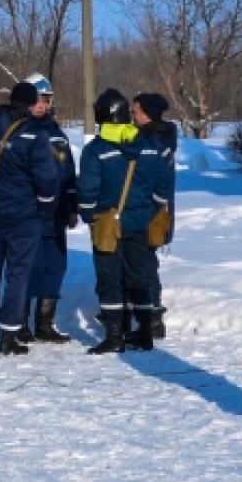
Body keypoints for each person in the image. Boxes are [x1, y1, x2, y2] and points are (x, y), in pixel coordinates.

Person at [0, 81, 63, 355]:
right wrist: (43, 206)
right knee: (17, 275)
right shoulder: (33, 132)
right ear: (31, 104)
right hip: (23, 215)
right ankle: (8, 336)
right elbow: (47, 177)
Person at [76, 89, 173, 353]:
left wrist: (89, 216)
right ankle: (144, 333)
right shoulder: (149, 145)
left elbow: (87, 190)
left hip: (107, 222)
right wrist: (149, 209)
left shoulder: (95, 150)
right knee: (139, 278)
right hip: (140, 222)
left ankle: (115, 336)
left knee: (109, 279)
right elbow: (164, 184)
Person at [19, 73, 78, 344]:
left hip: (54, 215)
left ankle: (45, 323)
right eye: (37, 99)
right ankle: (20, 323)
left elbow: (68, 173)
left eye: (46, 99)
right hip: (28, 212)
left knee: (54, 266)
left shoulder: (58, 135)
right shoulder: (18, 131)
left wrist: (71, 206)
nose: (41, 105)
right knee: (27, 268)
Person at [132, 91, 177, 338]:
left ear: (148, 113)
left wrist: (150, 208)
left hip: (151, 212)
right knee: (143, 263)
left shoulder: (154, 141)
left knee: (145, 264)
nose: (132, 114)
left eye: (136, 110)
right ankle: (145, 314)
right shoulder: (158, 137)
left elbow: (156, 182)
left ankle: (152, 317)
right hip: (153, 210)